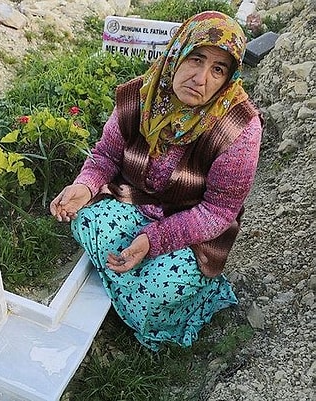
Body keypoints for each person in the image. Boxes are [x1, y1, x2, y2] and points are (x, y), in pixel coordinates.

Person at [50, 11, 262, 351]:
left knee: (160, 291)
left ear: (228, 78)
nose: (201, 78)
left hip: (191, 229)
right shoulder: (140, 96)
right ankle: (132, 286)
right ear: (178, 52)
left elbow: (218, 212)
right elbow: (105, 155)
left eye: (218, 69)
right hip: (135, 202)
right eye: (196, 59)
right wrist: (85, 186)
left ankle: (185, 298)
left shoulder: (238, 129)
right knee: (85, 219)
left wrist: (153, 240)